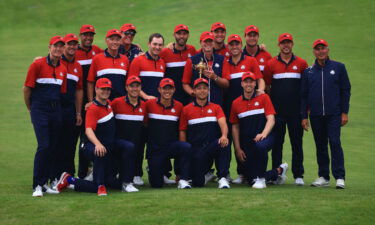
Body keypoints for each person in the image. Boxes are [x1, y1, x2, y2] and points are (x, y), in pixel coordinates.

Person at [56, 78, 137, 195]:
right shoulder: (93, 108)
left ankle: (126, 182)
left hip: (108, 145)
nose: (106, 91)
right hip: (92, 146)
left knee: (128, 147)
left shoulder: (109, 104)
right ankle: (70, 180)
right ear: (96, 89)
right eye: (103, 89)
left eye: (108, 89)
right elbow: (88, 130)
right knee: (99, 186)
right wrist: (98, 144)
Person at [301, 39, 351, 189]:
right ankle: (323, 176)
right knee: (320, 145)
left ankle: (340, 176)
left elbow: (345, 90)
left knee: (335, 142)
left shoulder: (339, 67)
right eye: (317, 49)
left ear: (327, 50)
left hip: (334, 114)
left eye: (323, 48)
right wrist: (304, 116)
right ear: (314, 52)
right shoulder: (308, 72)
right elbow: (303, 95)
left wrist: (344, 112)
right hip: (316, 115)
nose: (320, 51)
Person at [24, 36, 67, 197]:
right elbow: (27, 89)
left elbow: (60, 92)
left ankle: (45, 183)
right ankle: (37, 184)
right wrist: (31, 108)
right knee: (44, 146)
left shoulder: (63, 68)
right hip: (40, 109)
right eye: (55, 46)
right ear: (49, 47)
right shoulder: (38, 64)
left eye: (60, 47)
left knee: (53, 146)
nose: (58, 49)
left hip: (55, 110)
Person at [263, 33, 308, 186]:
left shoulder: (301, 63)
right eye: (283, 43)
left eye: (288, 42)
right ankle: (276, 174)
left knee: (297, 144)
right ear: (279, 45)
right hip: (278, 112)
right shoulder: (271, 64)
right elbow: (267, 86)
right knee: (277, 144)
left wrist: (304, 113)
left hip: (295, 112)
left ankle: (298, 175)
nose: (286, 45)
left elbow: (305, 89)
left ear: (292, 44)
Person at [230, 72, 288, 189]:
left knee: (260, 146)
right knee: (250, 179)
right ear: (242, 84)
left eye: (251, 81)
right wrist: (237, 148)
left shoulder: (264, 97)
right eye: (246, 82)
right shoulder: (236, 103)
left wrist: (264, 134)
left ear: (255, 83)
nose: (249, 84)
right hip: (248, 141)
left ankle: (261, 179)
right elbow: (235, 127)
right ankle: (279, 171)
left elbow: (271, 119)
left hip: (267, 136)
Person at [222, 34, 265, 184]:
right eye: (232, 45)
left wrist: (261, 91)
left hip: (248, 106)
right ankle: (234, 173)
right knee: (231, 140)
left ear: (241, 46)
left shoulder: (251, 60)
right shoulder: (226, 63)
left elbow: (260, 79)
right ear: (229, 47)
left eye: (237, 44)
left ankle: (246, 173)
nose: (234, 47)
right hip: (230, 106)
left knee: (245, 139)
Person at [179, 78, 231, 188]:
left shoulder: (216, 107)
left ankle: (222, 178)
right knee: (198, 183)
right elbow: (182, 131)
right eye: (199, 88)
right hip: (196, 150)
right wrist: (184, 149)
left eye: (204, 88)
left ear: (208, 90)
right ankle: (202, 174)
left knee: (224, 143)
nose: (202, 91)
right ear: (194, 91)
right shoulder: (186, 109)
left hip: (211, 147)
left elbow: (223, 123)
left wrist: (224, 135)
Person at [145, 78, 192, 189]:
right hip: (155, 149)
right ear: (159, 90)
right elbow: (145, 124)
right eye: (164, 88)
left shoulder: (179, 106)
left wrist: (179, 168)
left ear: (174, 90)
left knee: (186, 147)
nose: (167, 91)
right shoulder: (149, 104)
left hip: (171, 146)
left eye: (170, 89)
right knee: (156, 185)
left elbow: (181, 128)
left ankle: (183, 179)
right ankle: (152, 169)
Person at [75, 24, 104, 180]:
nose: (88, 37)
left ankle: (91, 171)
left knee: (92, 137)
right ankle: (81, 173)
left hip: (96, 100)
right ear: (80, 36)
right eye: (85, 35)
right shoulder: (74, 51)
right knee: (81, 138)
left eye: (91, 35)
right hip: (79, 101)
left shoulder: (97, 51)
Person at [110, 76, 146, 190]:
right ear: (126, 87)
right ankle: (127, 181)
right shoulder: (116, 102)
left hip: (135, 144)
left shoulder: (144, 105)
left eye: (137, 86)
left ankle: (127, 181)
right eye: (132, 86)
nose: (135, 89)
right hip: (118, 143)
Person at [56, 33, 83, 178]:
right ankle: (54, 176)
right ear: (63, 46)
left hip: (70, 109)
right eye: (69, 44)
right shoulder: (56, 62)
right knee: (56, 143)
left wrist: (78, 113)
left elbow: (79, 90)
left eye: (74, 44)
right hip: (55, 108)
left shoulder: (77, 66)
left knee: (70, 144)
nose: (72, 47)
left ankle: (68, 176)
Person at [182, 31, 229, 106]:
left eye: (210, 41)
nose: (208, 44)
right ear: (201, 43)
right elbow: (185, 83)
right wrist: (193, 93)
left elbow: (226, 83)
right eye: (205, 41)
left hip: (216, 104)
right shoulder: (192, 60)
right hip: (196, 104)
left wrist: (215, 77)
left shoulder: (222, 60)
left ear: (214, 43)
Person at [87, 29, 129, 101]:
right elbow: (90, 82)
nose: (115, 42)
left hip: (121, 102)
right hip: (102, 102)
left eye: (117, 40)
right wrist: (91, 101)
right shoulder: (97, 59)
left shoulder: (125, 59)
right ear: (106, 41)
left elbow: (128, 83)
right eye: (112, 39)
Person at [160, 24, 196, 105]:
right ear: (174, 35)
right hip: (171, 96)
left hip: (189, 96)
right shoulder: (165, 52)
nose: (182, 36)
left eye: (184, 34)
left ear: (188, 35)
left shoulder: (192, 50)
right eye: (179, 34)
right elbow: (153, 57)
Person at [128, 33, 166, 100]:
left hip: (157, 103)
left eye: (160, 45)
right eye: (155, 44)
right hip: (141, 103)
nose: (157, 47)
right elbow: (131, 83)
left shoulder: (162, 63)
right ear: (149, 44)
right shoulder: (138, 60)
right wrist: (146, 97)